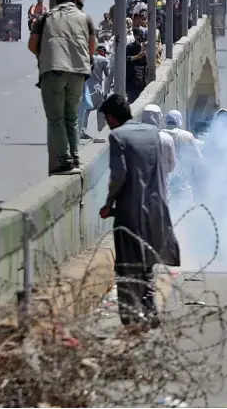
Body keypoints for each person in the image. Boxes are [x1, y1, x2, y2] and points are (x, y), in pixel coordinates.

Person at [99, 94, 180, 326]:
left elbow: (119, 175)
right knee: (147, 264)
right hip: (157, 209)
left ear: (112, 118)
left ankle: (130, 318)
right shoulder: (154, 134)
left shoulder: (117, 136)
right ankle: (150, 310)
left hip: (131, 212)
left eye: (107, 119)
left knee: (126, 267)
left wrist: (109, 203)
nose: (107, 124)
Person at [29, 0, 96, 174]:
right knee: (72, 117)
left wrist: (46, 56)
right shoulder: (85, 18)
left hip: (53, 71)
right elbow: (91, 48)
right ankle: (75, 157)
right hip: (78, 73)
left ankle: (65, 160)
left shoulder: (44, 18)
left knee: (56, 119)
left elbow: (32, 44)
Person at [164, 110, 203, 194]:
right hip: (183, 186)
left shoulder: (158, 134)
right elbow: (199, 159)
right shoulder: (187, 136)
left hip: (164, 186)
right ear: (179, 121)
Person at [79, 43, 111, 140]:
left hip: (86, 89)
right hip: (97, 90)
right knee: (101, 109)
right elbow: (108, 74)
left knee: (86, 109)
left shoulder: (87, 58)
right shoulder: (104, 60)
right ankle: (101, 131)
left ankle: (82, 131)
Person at [141, 104, 177, 180]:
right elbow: (171, 166)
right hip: (160, 186)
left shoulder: (132, 137)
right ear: (158, 119)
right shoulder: (166, 139)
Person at [125, 28, 148, 104]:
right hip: (133, 80)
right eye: (139, 35)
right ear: (135, 36)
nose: (141, 38)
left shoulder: (146, 46)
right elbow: (127, 59)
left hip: (144, 79)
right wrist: (138, 56)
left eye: (142, 35)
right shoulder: (129, 47)